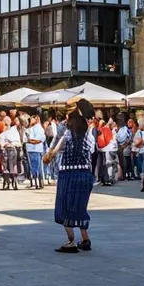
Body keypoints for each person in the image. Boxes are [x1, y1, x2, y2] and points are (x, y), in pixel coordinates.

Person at [49, 98, 97, 253]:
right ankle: (85, 239)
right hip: (85, 175)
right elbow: (92, 151)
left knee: (65, 208)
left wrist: (49, 155)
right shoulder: (89, 136)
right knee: (80, 207)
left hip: (68, 175)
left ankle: (71, 242)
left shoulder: (67, 136)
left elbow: (53, 153)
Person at [0, 117, 21, 191]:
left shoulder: (14, 131)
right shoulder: (3, 132)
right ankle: (7, 182)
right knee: (5, 167)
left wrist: (11, 143)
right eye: (5, 123)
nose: (6, 124)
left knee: (12, 167)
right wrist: (2, 144)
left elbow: (18, 142)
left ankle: (13, 181)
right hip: (5, 150)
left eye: (7, 122)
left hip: (12, 150)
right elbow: (0, 141)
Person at [24, 114, 46, 190]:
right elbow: (25, 138)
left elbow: (39, 139)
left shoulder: (39, 128)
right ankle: (33, 182)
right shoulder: (28, 129)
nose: (31, 120)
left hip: (37, 149)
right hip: (29, 149)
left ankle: (40, 182)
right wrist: (30, 141)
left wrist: (32, 141)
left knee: (38, 167)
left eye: (32, 119)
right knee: (32, 167)